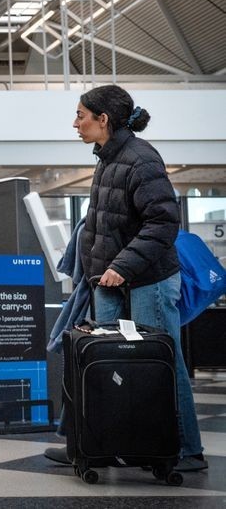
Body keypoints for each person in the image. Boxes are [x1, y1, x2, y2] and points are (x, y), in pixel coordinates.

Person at [43, 85, 205, 473]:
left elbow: (163, 222)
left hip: (145, 279)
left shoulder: (141, 160)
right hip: (108, 282)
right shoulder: (108, 158)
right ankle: (103, 442)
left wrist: (123, 266)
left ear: (104, 120)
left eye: (81, 115)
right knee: (111, 362)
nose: (75, 123)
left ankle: (184, 448)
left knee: (163, 361)